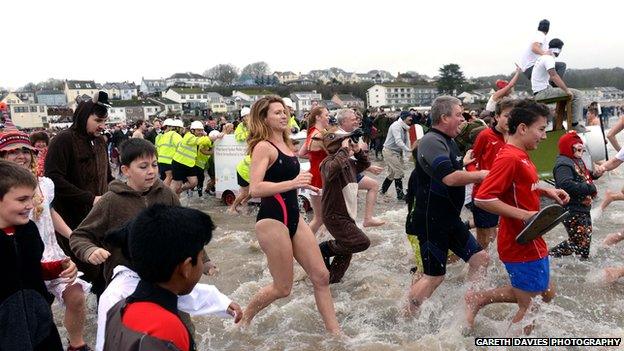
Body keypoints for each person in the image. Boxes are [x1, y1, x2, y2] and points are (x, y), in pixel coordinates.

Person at [239, 96, 340, 333]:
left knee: (321, 276)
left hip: (294, 217)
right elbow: (255, 188)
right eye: (277, 113)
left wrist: (305, 186)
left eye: (284, 111)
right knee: (283, 288)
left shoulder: (287, 144)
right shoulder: (263, 146)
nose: (283, 115)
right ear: (264, 118)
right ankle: (245, 317)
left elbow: (288, 181)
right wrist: (293, 182)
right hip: (272, 220)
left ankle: (336, 334)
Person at [468, 99, 570, 331]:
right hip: (521, 241)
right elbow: (483, 199)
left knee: (546, 292)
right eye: (542, 129)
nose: (544, 136)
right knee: (531, 306)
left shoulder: (520, 154)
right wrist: (525, 214)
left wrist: (547, 190)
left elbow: (521, 186)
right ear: (523, 128)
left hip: (530, 238)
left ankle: (479, 298)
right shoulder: (509, 157)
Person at [99, 205, 240, 351]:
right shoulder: (170, 331)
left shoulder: (119, 309)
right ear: (186, 267)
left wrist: (221, 303)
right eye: (200, 257)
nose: (201, 263)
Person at [0, 132, 92, 351]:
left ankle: (76, 344)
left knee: (75, 295)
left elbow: (50, 214)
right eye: (13, 151)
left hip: (43, 257)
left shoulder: (42, 189)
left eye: (25, 150)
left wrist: (70, 242)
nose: (30, 205)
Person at [405, 96, 490, 315]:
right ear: (444, 117)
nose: (463, 119)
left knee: (480, 260)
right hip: (431, 220)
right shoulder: (432, 141)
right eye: (459, 114)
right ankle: (405, 318)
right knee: (435, 277)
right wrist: (481, 175)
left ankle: (467, 310)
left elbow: (444, 169)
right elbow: (448, 178)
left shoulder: (446, 141)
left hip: (448, 219)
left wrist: (463, 163)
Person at [45, 91, 113, 295]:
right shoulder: (62, 140)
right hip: (71, 219)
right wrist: (90, 198)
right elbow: (53, 180)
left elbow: (107, 176)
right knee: (78, 277)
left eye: (104, 121)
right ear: (84, 116)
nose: (101, 125)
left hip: (99, 217)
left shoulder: (100, 141)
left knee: (104, 270)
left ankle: (104, 318)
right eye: (98, 120)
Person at [317, 128, 372, 283]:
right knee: (361, 242)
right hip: (334, 214)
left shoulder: (348, 163)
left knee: (347, 250)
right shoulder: (327, 163)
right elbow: (331, 170)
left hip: (346, 214)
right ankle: (324, 249)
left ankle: (332, 280)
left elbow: (365, 163)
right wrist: (344, 150)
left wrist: (358, 150)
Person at [465, 98, 514, 249]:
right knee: (484, 242)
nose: (510, 119)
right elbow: (470, 162)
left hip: (505, 195)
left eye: (514, 115)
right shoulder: (485, 136)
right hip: (484, 194)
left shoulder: (515, 138)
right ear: (497, 117)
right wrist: (481, 176)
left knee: (496, 238)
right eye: (506, 115)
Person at [549, 131, 603, 259]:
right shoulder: (563, 163)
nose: (581, 152)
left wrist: (594, 175)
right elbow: (565, 184)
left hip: (582, 208)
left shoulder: (575, 160)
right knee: (579, 242)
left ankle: (583, 266)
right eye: (578, 149)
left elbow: (582, 176)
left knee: (584, 242)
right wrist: (590, 187)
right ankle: (548, 256)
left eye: (582, 150)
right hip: (571, 209)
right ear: (568, 147)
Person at [336, 108, 385, 227]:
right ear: (343, 122)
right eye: (353, 119)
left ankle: (367, 219)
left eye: (357, 119)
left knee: (373, 185)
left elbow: (351, 158)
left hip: (351, 172)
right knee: (332, 214)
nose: (356, 121)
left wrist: (367, 166)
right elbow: (340, 159)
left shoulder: (351, 134)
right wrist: (367, 165)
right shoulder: (338, 136)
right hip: (342, 176)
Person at [532, 38, 586, 133]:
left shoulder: (542, 57)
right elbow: (554, 76)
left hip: (539, 91)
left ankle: (562, 125)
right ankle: (574, 124)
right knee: (578, 94)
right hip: (543, 92)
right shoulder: (549, 58)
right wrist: (566, 90)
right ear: (559, 50)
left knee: (567, 93)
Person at [297, 106, 329, 234]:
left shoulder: (312, 132)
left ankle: (316, 242)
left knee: (322, 218)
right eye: (326, 115)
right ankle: (305, 244)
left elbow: (301, 153)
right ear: (318, 117)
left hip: (315, 176)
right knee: (320, 219)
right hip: (321, 179)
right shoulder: (319, 135)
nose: (329, 117)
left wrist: (315, 158)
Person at [170, 121, 211, 195]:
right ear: (192, 130)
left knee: (194, 182)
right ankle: (169, 200)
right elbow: (200, 141)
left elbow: (206, 143)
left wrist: (206, 136)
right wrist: (209, 137)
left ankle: (179, 191)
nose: (200, 132)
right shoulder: (188, 136)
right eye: (198, 130)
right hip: (179, 163)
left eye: (201, 130)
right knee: (176, 185)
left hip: (189, 164)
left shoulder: (197, 136)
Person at [381, 111, 414, 200]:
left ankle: (382, 191)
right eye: (409, 117)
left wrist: (408, 153)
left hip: (396, 152)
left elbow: (408, 141)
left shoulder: (405, 127)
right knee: (399, 172)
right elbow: (398, 141)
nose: (411, 118)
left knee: (392, 173)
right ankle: (400, 195)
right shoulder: (396, 126)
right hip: (389, 151)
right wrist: (409, 150)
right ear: (404, 118)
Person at [228, 107, 252, 214]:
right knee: (244, 193)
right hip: (243, 169)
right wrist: (249, 134)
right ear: (243, 118)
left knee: (250, 191)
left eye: (250, 115)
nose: (249, 118)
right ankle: (233, 207)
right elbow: (238, 137)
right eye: (247, 116)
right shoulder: (241, 127)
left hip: (247, 165)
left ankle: (244, 203)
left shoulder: (256, 124)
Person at [156, 118, 184, 186]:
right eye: (170, 126)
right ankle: (162, 193)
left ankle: (167, 194)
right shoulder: (174, 135)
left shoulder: (160, 136)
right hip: (169, 161)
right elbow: (182, 147)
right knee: (169, 178)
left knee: (165, 179)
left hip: (160, 161)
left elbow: (157, 149)